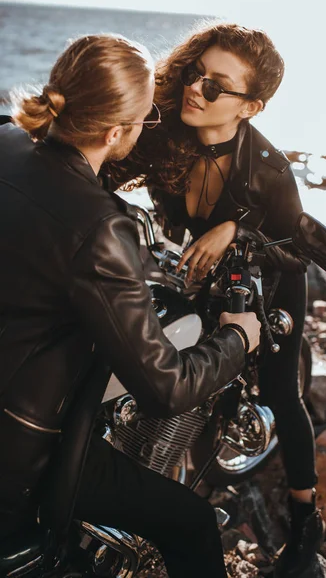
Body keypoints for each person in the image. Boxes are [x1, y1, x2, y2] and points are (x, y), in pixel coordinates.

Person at [0, 33, 261, 578]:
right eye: (144, 119)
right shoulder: (99, 229)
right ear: (116, 130)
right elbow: (164, 388)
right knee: (190, 522)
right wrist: (238, 338)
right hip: (22, 446)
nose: (146, 128)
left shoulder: (8, 141)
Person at [113, 23, 326, 578]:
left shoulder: (272, 171)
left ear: (250, 106)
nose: (195, 89)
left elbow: (299, 253)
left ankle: (306, 522)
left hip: (270, 282)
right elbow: (105, 165)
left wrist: (237, 231)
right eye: (195, 74)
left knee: (281, 389)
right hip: (193, 272)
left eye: (215, 86)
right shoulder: (164, 131)